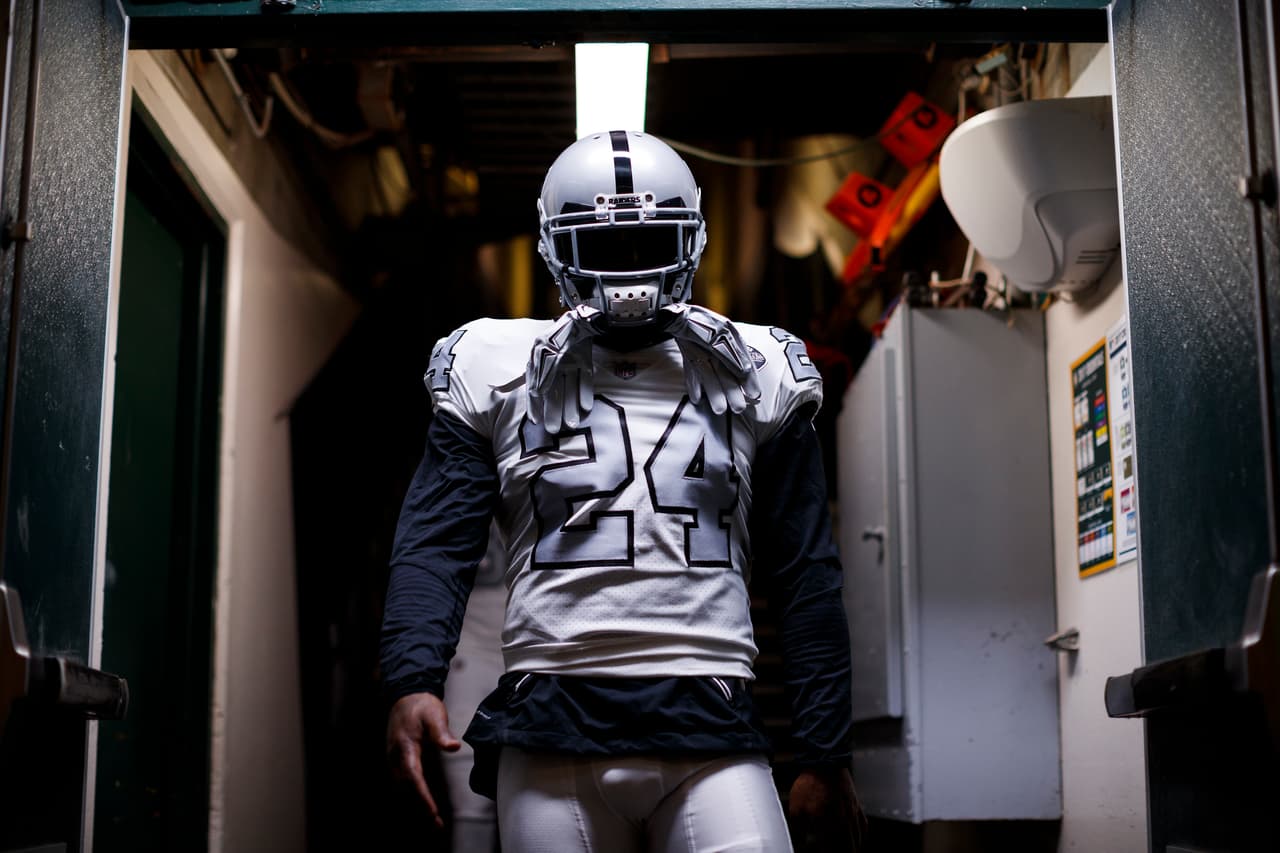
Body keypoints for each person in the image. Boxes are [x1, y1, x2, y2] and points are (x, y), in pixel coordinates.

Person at [381, 130, 864, 852]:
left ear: (691, 240)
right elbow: (437, 542)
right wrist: (412, 676)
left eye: (649, 242)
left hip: (710, 713)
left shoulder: (754, 365)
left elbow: (805, 572)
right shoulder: (499, 366)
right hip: (553, 716)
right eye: (604, 247)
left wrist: (825, 747)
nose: (630, 270)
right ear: (555, 250)